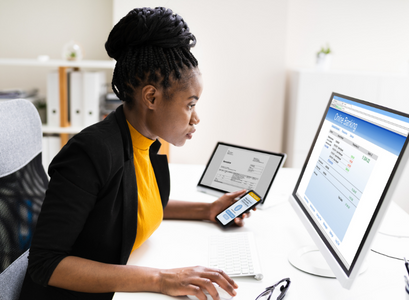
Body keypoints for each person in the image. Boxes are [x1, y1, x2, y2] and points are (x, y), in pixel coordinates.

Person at [19, 7, 251, 300]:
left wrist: (205, 210)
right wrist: (160, 279)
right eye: (190, 105)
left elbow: (133, 205)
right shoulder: (91, 153)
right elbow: (45, 264)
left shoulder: (146, 141)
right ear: (151, 97)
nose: (196, 118)